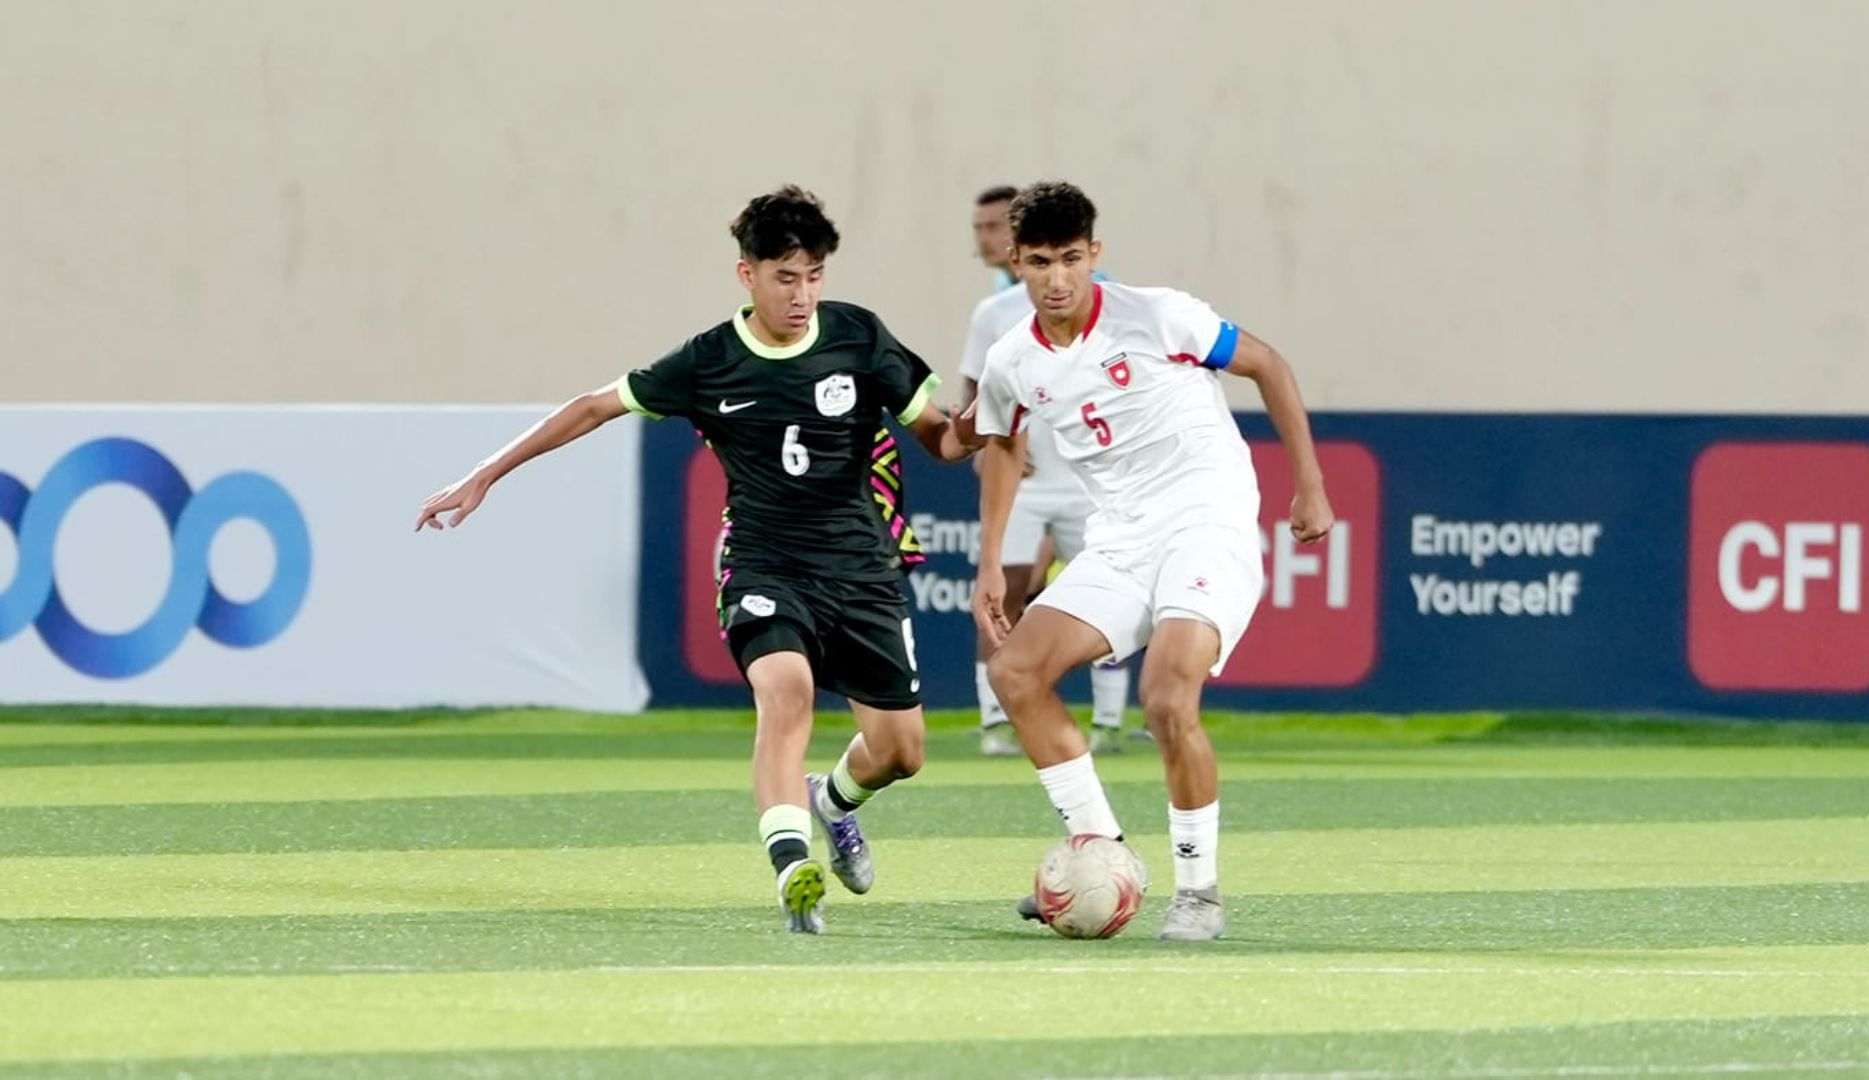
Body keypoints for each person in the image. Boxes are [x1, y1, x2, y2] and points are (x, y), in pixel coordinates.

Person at [417, 185, 977, 934]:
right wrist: (485, 473)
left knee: (902, 753)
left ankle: (833, 801)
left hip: (860, 572)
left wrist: (987, 423)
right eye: (785, 277)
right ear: (747, 274)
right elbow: (593, 406)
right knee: (786, 694)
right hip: (764, 565)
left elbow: (942, 439)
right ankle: (792, 867)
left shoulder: (859, 336)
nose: (802, 294)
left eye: (814, 276)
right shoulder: (709, 361)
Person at [968, 181, 1333, 941]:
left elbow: (1268, 364)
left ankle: (1199, 894)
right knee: (1015, 673)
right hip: (1122, 539)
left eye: (1072, 258)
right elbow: (1000, 443)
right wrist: (991, 561)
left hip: (1207, 524)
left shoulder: (1159, 314)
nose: (1059, 278)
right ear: (1016, 261)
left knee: (1166, 698)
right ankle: (1103, 853)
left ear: (1094, 253)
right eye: (1041, 262)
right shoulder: (1011, 359)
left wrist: (1310, 486)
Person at [959, 185, 1133, 757]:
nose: (1055, 276)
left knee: (1111, 596)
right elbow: (976, 396)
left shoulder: (1110, 305)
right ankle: (995, 721)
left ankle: (1109, 720)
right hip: (1028, 484)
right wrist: (987, 446)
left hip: (1091, 482)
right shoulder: (994, 315)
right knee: (1004, 591)